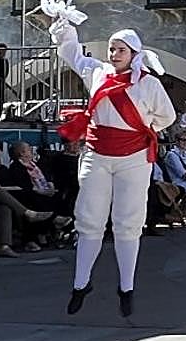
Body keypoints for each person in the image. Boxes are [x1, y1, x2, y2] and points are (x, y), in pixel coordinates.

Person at [52, 17, 176, 317]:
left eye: (120, 49)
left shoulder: (148, 84)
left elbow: (167, 117)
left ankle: (127, 287)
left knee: (128, 222)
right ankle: (81, 284)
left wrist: (140, 130)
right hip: (97, 153)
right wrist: (65, 27)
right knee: (89, 219)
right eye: (111, 48)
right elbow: (72, 54)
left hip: (133, 158)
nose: (114, 54)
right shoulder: (97, 73)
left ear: (134, 53)